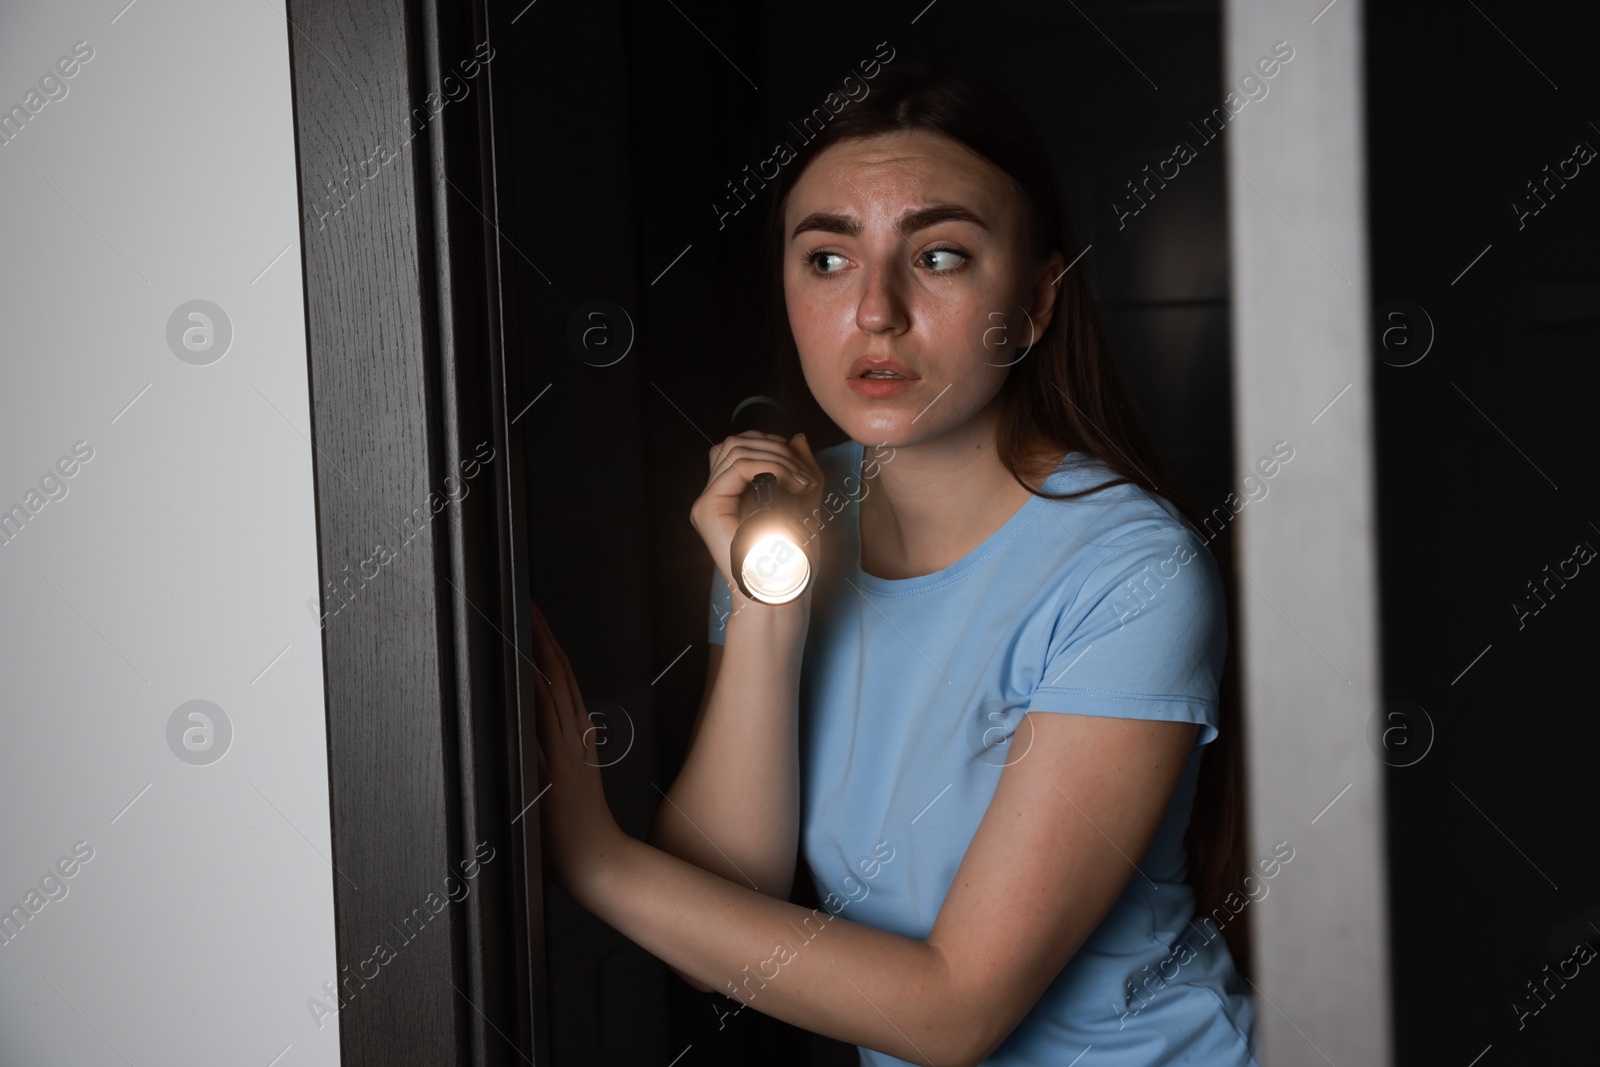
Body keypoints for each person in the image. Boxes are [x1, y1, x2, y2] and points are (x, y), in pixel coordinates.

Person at [531, 61, 1258, 1066]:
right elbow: (715, 925)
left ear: (1038, 298)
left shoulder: (1129, 570)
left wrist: (594, 857)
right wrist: (765, 611)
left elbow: (954, 1010)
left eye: (941, 256)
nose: (875, 310)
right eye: (827, 259)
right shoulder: (781, 528)